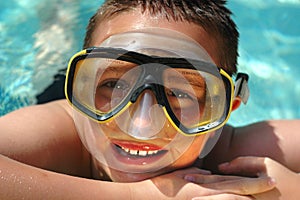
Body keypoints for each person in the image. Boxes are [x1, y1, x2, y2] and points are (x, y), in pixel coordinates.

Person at [0, 0, 299, 199]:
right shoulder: (61, 131)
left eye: (180, 92)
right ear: (81, 86)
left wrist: (288, 189)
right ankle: (57, 18)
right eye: (115, 83)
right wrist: (141, 195)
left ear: (225, 109)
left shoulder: (235, 153)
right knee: (51, 52)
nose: (141, 124)